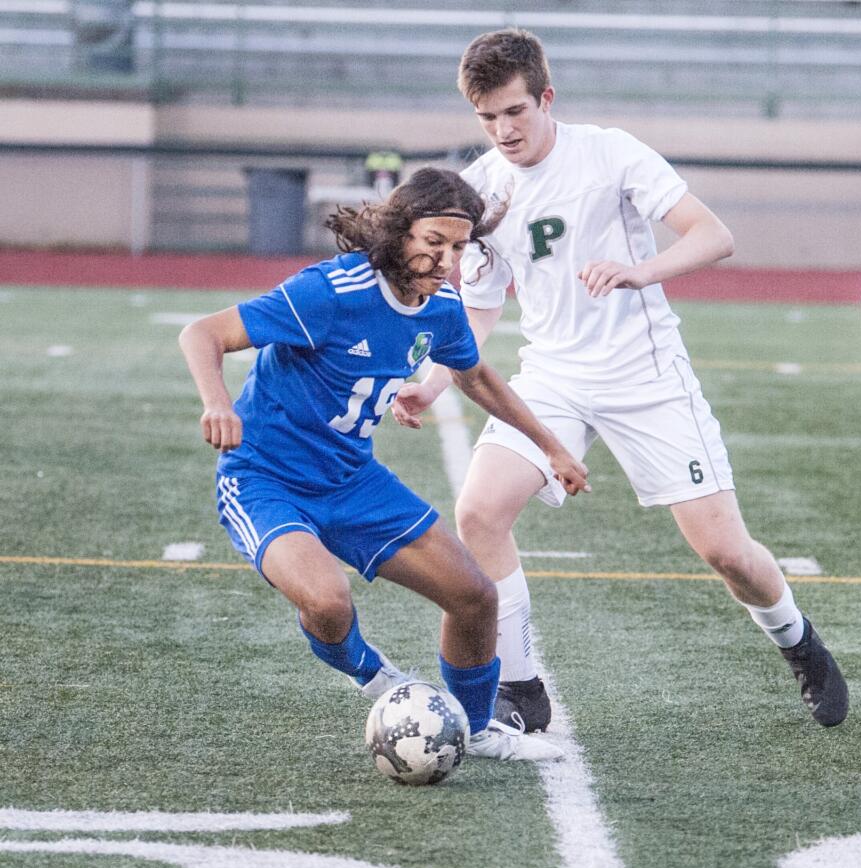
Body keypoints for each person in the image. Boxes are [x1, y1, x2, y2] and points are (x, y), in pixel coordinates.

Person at [393, 28, 848, 733]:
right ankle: (520, 689)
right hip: (552, 377)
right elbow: (478, 316)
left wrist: (639, 270)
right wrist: (431, 383)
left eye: (515, 111)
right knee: (480, 512)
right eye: (487, 117)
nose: (503, 130)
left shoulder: (609, 152)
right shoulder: (482, 192)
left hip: (646, 375)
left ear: (546, 98)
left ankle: (798, 640)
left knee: (726, 552)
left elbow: (713, 234)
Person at [178, 166, 590, 764]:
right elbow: (202, 333)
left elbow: (474, 376)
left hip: (352, 479)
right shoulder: (331, 292)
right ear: (399, 232)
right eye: (434, 244)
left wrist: (550, 445)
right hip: (265, 479)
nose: (447, 261)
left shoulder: (441, 308)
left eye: (458, 247)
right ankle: (377, 681)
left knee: (475, 596)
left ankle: (473, 729)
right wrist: (218, 403)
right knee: (326, 599)